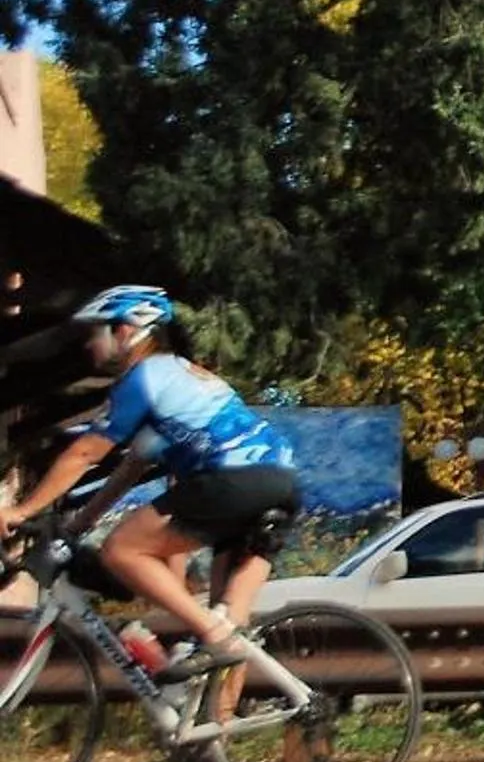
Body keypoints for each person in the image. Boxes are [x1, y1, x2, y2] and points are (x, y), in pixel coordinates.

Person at [0, 285, 301, 670]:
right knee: (231, 627)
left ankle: (213, 635)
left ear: (126, 331)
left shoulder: (142, 378)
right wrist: (79, 524)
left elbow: (85, 454)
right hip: (282, 482)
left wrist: (23, 510)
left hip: (233, 478)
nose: (89, 345)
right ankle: (219, 724)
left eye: (96, 333)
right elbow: (130, 470)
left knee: (121, 551)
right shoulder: (182, 378)